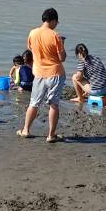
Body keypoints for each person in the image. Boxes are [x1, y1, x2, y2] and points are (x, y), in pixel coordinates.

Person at [19, 8, 66, 142]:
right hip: (55, 73)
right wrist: (62, 44)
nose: (56, 25)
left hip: (39, 73)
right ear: (53, 21)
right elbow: (62, 58)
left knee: (34, 103)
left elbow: (30, 48)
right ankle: (51, 135)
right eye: (56, 22)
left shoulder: (33, 33)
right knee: (54, 104)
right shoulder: (55, 35)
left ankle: (26, 130)